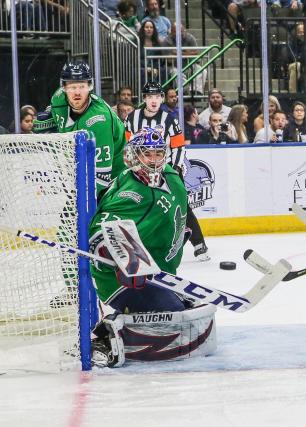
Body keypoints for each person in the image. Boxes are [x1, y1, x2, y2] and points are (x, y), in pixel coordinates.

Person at [88, 127, 216, 367]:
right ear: (134, 156)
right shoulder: (131, 194)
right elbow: (100, 232)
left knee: (188, 308)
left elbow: (184, 212)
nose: (155, 160)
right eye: (148, 154)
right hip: (120, 280)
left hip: (159, 272)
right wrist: (126, 263)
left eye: (159, 153)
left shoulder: (171, 175)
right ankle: (105, 333)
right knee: (174, 315)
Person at [125, 81, 211, 262]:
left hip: (166, 169)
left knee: (180, 205)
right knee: (141, 203)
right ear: (144, 98)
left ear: (162, 98)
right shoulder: (132, 118)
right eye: (150, 97)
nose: (153, 100)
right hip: (140, 170)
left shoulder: (169, 119)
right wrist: (133, 166)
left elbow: (178, 146)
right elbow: (129, 145)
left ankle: (199, 243)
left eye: (157, 96)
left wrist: (177, 168)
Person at [41, 60, 127, 195]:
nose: (77, 92)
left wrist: (75, 197)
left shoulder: (100, 120)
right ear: (63, 87)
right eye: (72, 87)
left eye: (82, 86)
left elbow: (101, 179)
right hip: (82, 171)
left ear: (90, 86)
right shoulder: (58, 100)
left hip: (116, 180)